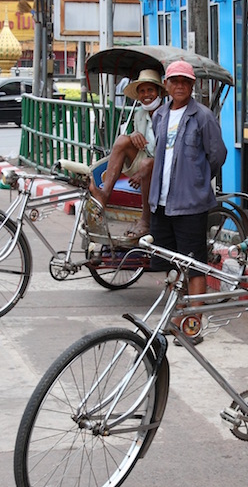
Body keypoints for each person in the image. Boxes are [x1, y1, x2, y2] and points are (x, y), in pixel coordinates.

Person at [148, 60, 227, 341]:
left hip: (190, 204)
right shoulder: (159, 116)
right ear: (166, 85)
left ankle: (193, 324)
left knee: (193, 266)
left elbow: (217, 155)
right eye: (175, 81)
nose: (179, 86)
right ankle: (177, 314)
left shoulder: (203, 117)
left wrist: (197, 179)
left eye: (185, 81)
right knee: (171, 265)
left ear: (192, 85)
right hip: (161, 202)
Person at [89, 69, 165, 237]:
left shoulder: (167, 114)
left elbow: (166, 152)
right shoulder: (140, 114)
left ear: (159, 92)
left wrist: (143, 171)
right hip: (146, 159)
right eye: (142, 91)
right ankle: (104, 195)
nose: (146, 95)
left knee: (146, 164)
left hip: (164, 163)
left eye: (150, 90)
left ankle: (146, 220)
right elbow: (142, 146)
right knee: (123, 140)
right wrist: (134, 135)